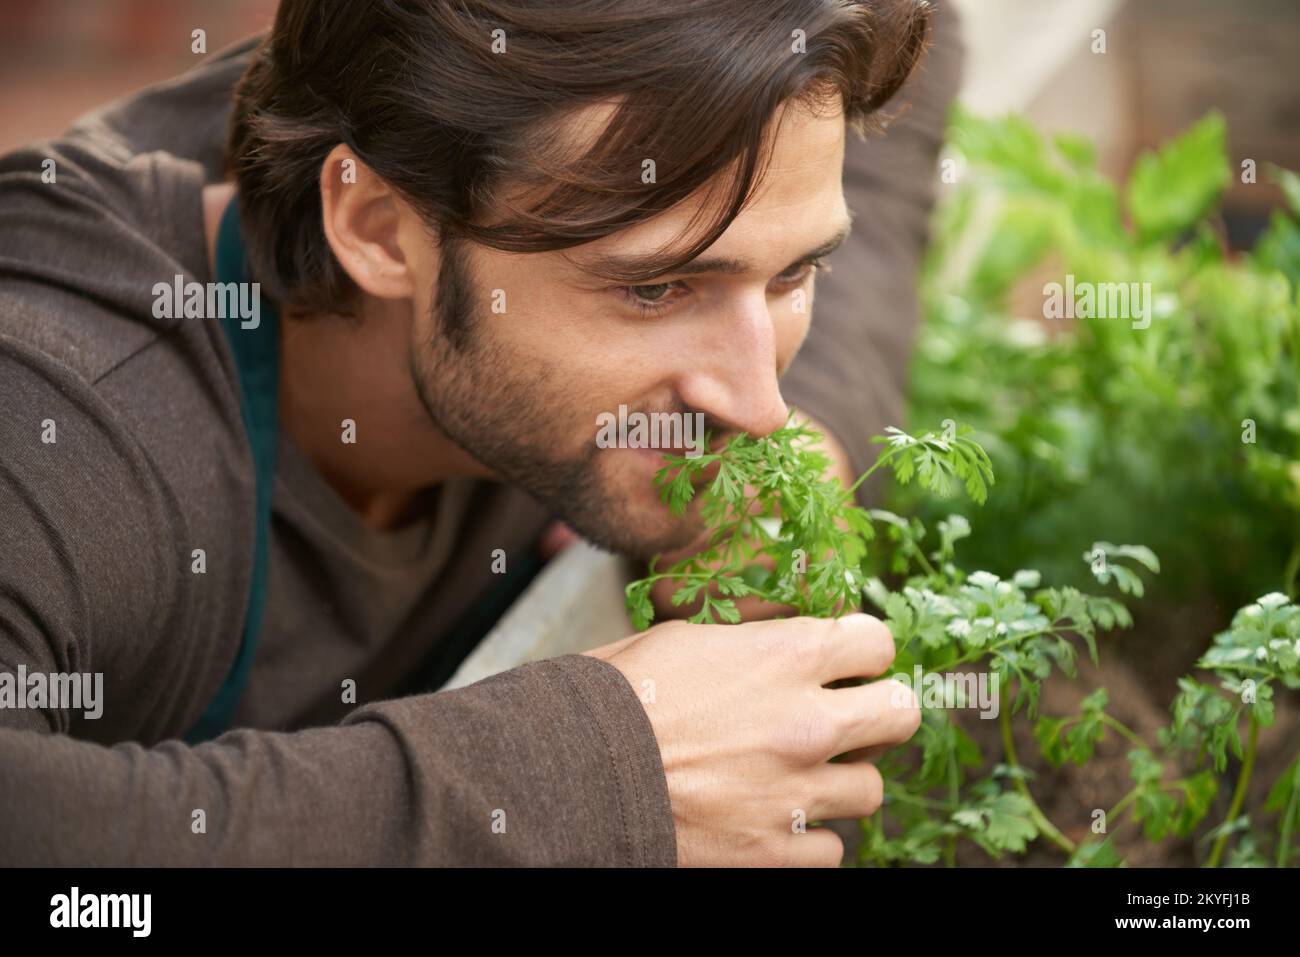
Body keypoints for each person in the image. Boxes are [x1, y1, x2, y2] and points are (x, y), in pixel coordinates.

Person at [0, 0, 961, 866]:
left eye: (792, 276)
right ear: (376, 226)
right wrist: (589, 777)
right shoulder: (67, 415)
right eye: (655, 288)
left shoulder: (532, 139)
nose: (756, 409)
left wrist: (825, 427)